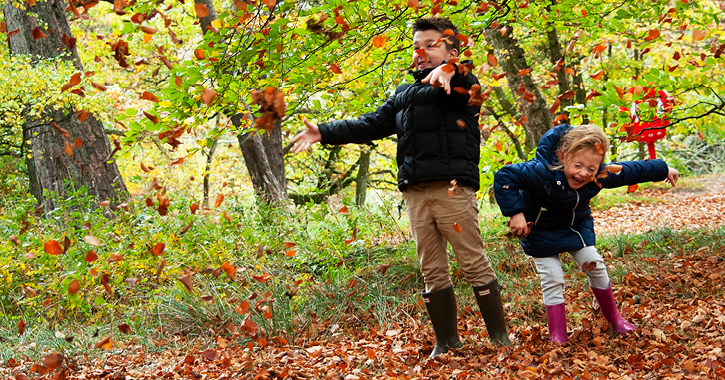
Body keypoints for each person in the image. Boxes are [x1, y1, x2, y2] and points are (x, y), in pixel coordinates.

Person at [290, 17, 511, 357]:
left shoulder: (460, 86)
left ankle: (500, 339)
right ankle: (446, 341)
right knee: (431, 268)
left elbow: (468, 83)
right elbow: (370, 124)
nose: (421, 52)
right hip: (415, 192)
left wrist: (453, 69)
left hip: (451, 189)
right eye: (416, 46)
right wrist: (323, 131)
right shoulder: (404, 94)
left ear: (450, 50)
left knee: (472, 262)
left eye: (430, 45)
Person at [493, 124, 679, 343]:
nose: (583, 173)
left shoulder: (599, 174)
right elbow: (505, 176)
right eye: (577, 165)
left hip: (575, 227)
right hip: (540, 229)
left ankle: (614, 319)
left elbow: (630, 170)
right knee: (552, 277)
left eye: (591, 169)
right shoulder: (540, 171)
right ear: (562, 157)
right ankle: (558, 334)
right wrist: (515, 213)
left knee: (595, 263)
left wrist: (663, 169)